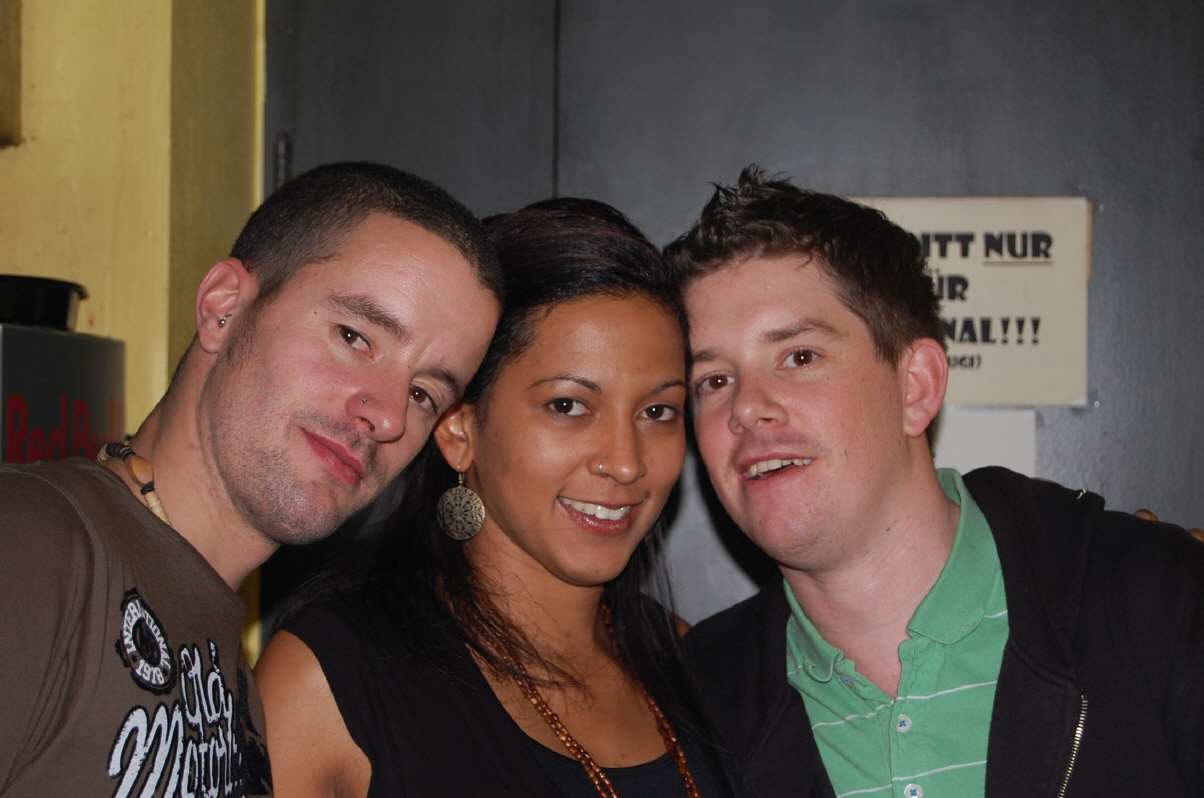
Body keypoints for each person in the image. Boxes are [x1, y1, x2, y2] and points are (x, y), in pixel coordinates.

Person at [665, 167, 1204, 797]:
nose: (746, 408)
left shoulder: (1157, 602)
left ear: (915, 387)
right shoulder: (688, 708)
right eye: (714, 380)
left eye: (799, 357)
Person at [0, 162, 502, 797]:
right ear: (223, 308)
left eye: (424, 393)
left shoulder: (234, 685)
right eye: (355, 337)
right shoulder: (34, 548)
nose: (387, 417)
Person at [254, 198, 727, 798]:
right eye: (568, 406)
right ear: (459, 429)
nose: (627, 461)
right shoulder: (330, 680)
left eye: (658, 411)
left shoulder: (698, 665)